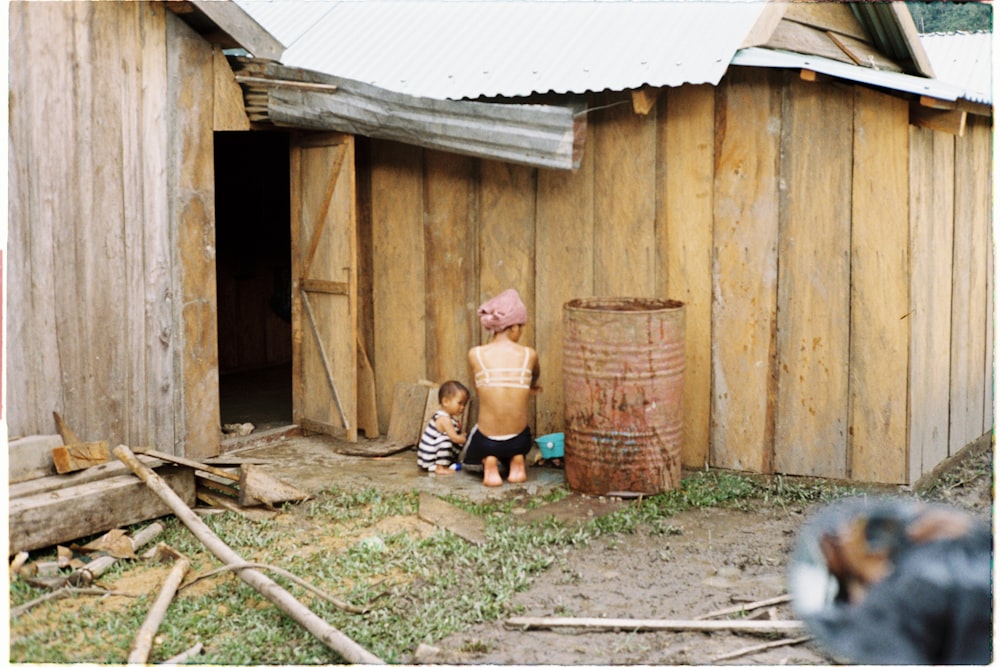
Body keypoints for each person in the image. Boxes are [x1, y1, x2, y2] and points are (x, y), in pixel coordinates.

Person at [459, 288, 540, 487]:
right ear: (514, 328)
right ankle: (517, 461)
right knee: (521, 435)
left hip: (487, 440)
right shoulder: (530, 355)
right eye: (521, 327)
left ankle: (490, 462)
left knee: (472, 445)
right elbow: (534, 380)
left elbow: (478, 389)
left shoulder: (475, 354)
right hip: (520, 439)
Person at [417, 380, 470, 475]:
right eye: (460, 403)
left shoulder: (449, 418)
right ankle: (440, 467)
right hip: (429, 457)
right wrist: (467, 439)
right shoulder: (444, 419)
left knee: (451, 440)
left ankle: (444, 463)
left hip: (430, 456)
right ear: (445, 401)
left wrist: (462, 434)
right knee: (447, 441)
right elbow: (454, 437)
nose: (463, 407)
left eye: (464, 404)